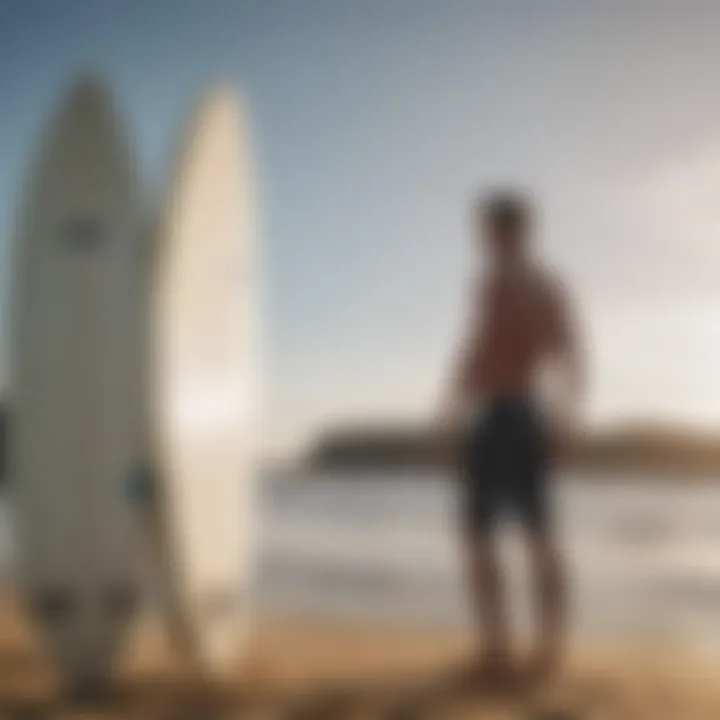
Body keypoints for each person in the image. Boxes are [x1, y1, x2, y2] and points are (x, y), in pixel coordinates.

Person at [438, 190, 583, 687]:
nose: (478, 236)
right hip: (528, 414)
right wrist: (565, 421)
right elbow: (570, 356)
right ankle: (548, 651)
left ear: (501, 229)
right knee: (540, 536)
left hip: (501, 415)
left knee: (480, 536)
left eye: (483, 227)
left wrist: (450, 410)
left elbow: (477, 347)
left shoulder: (498, 278)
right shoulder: (549, 284)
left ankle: (498, 650)